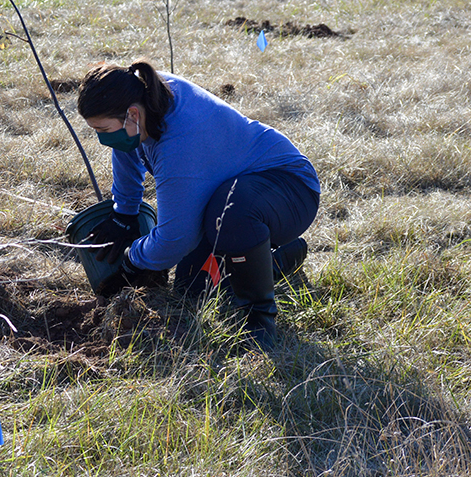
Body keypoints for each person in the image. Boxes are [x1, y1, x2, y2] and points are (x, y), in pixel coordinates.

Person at [76, 60, 318, 349]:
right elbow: (127, 145)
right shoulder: (143, 96)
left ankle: (258, 322)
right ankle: (277, 261)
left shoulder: (179, 140)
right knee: (193, 290)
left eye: (103, 128)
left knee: (230, 217)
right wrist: (124, 213)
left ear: (132, 114)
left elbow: (174, 240)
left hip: (288, 188)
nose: (102, 138)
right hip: (227, 192)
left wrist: (131, 260)